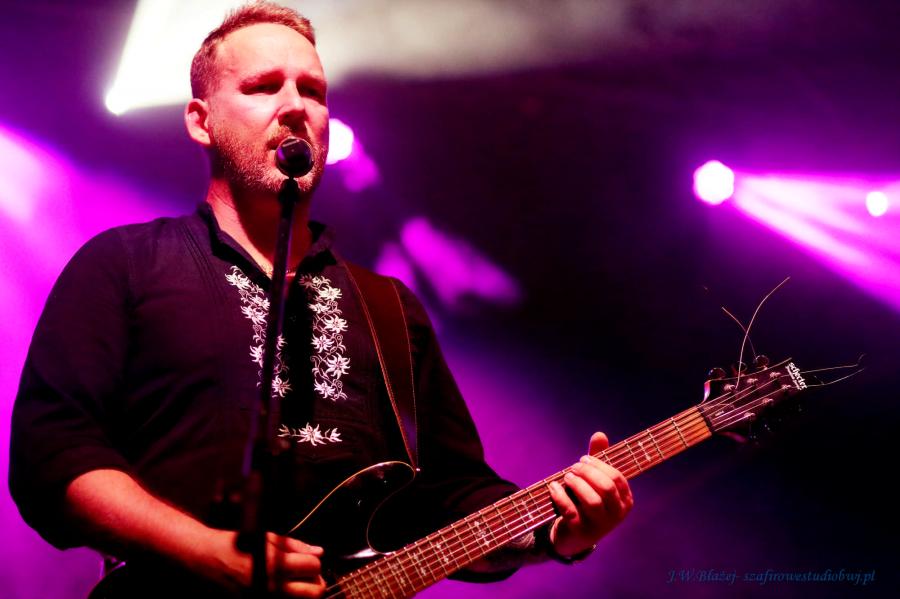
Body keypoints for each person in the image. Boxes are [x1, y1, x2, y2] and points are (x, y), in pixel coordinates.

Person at [9, 2, 633, 597]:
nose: (294, 106)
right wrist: (203, 552)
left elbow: (449, 495)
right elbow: (52, 455)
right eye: (263, 87)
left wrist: (554, 532)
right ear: (201, 121)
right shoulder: (125, 263)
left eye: (312, 91)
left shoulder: (390, 308)